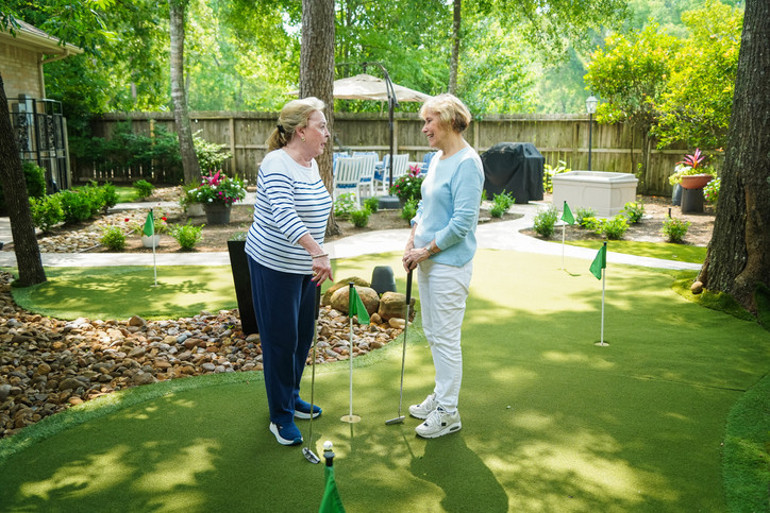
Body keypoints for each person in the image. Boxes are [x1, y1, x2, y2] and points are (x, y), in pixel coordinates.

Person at [245, 97, 334, 446]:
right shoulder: (276, 163)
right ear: (301, 131)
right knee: (280, 341)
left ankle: (291, 397)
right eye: (321, 126)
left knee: (301, 336)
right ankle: (279, 417)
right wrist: (318, 251)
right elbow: (284, 215)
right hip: (273, 265)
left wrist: (315, 255)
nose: (327, 133)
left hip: (304, 268)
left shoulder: (310, 164)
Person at [401, 93, 484, 439]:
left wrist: (425, 251)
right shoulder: (437, 159)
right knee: (434, 333)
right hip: (428, 261)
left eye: (429, 121)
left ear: (449, 121)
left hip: (449, 265)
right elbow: (425, 206)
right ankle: (441, 395)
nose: (424, 128)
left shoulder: (468, 163)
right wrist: (412, 239)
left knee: (446, 338)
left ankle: (449, 412)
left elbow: (462, 222)